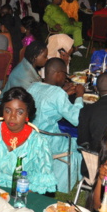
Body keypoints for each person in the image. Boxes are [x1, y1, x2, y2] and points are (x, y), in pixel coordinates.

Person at [0, 88, 57, 192]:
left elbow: (41, 180)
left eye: (20, 112)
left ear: (27, 114)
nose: (12, 117)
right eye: (8, 111)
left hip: (22, 191)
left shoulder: (39, 143)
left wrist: (20, 196)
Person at [28, 58, 84, 192]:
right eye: (65, 75)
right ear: (58, 74)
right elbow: (76, 119)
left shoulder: (32, 86)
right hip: (49, 142)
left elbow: (46, 102)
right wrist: (79, 96)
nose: (65, 78)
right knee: (81, 141)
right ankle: (69, 183)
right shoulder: (57, 93)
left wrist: (63, 93)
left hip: (30, 136)